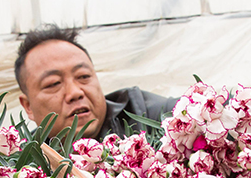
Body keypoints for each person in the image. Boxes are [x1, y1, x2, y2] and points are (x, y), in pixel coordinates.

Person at [14, 24, 177, 140]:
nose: (75, 92)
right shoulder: (21, 169)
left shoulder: (151, 115)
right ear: (28, 106)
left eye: (83, 76)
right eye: (53, 83)